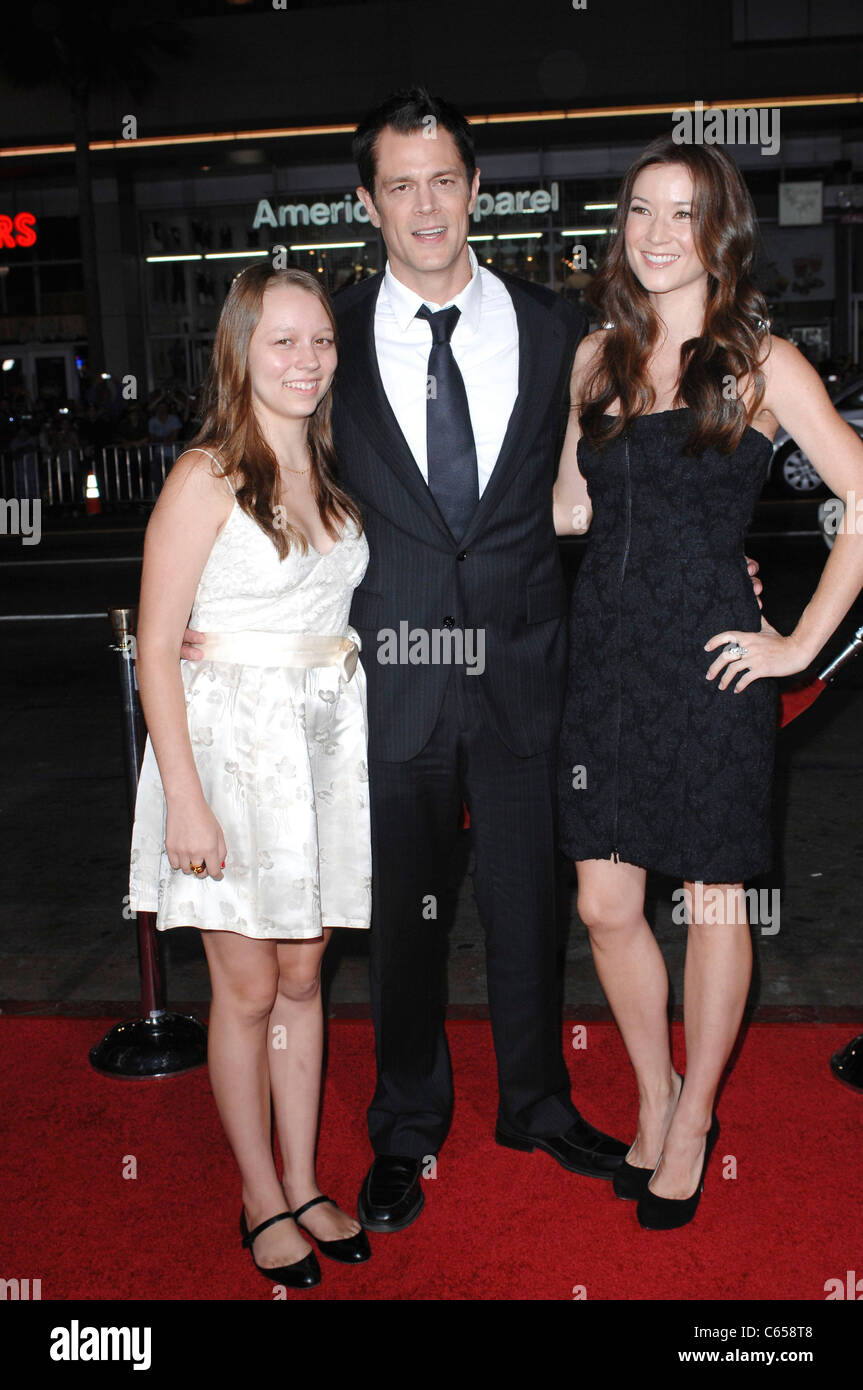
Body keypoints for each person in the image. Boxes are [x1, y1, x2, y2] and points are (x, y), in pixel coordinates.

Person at [256, 87, 630, 1229]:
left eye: (444, 180)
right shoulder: (330, 341)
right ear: (366, 201)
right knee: (405, 921)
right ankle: (407, 1124)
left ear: (476, 189)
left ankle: (534, 1098)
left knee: (528, 904)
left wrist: (719, 576)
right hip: (392, 679)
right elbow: (262, 463)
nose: (426, 205)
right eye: (399, 184)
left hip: (525, 669)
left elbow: (613, 486)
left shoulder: (558, 325)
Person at [553, 134, 863, 1230]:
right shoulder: (593, 357)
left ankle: (691, 1128)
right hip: (604, 659)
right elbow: (568, 510)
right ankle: (653, 1092)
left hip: (711, 663)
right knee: (603, 900)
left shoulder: (762, 363)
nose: (653, 232)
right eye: (639, 208)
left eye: (680, 213)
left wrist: (798, 645)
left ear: (716, 231)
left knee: (714, 897)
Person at [129, 265, 373, 1287]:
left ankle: (304, 1174)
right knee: (245, 987)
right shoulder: (204, 475)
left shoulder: (328, 466)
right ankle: (258, 1192)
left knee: (305, 975)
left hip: (318, 752)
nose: (307, 358)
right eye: (282, 341)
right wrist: (184, 795)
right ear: (238, 350)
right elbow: (153, 646)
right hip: (227, 758)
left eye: (319, 339)